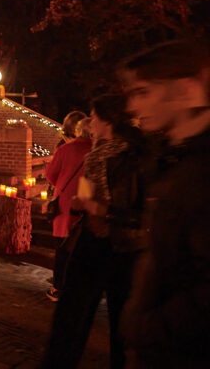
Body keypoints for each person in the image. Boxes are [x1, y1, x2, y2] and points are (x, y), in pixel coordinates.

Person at [118, 39, 210, 367]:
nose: (131, 107)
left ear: (186, 90)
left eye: (143, 92)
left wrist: (150, 329)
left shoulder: (201, 173)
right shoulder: (174, 160)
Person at [40, 94, 148, 369]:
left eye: (96, 117)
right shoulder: (95, 154)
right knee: (70, 317)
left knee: (120, 321)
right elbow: (88, 196)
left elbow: (142, 213)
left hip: (122, 247)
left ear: (109, 120)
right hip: (89, 240)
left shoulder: (133, 157)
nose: (91, 122)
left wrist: (103, 211)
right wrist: (81, 205)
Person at [45, 117, 94, 300]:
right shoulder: (97, 151)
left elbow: (50, 174)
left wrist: (63, 184)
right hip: (88, 204)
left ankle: (58, 287)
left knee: (63, 248)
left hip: (65, 204)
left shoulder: (65, 149)